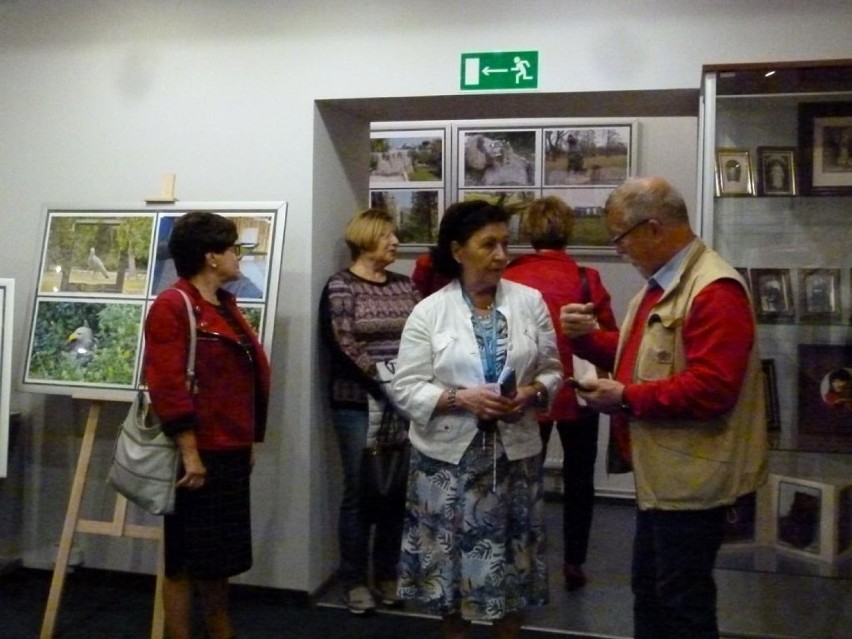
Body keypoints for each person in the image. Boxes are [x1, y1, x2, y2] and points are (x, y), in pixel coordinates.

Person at [559, 177, 768, 639]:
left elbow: (713, 388)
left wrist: (627, 398)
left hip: (693, 480)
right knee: (654, 594)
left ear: (653, 228)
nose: (618, 250)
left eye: (620, 237)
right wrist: (587, 340)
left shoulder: (713, 290)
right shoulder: (665, 284)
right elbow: (645, 355)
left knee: (681, 604)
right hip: (666, 475)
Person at [390, 200, 563, 639]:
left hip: (514, 461)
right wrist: (460, 398)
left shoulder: (530, 302)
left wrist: (532, 392)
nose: (502, 255)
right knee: (450, 580)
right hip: (446, 466)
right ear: (457, 249)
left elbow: (553, 370)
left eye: (505, 243)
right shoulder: (428, 312)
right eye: (488, 244)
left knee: (510, 570)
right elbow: (406, 388)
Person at [144, 211, 271, 639]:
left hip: (229, 449)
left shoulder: (226, 306)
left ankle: (221, 630)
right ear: (210, 257)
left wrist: (250, 439)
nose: (239, 256)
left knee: (218, 558)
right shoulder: (173, 305)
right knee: (183, 559)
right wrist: (190, 453)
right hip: (198, 452)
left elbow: (247, 377)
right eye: (234, 248)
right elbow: (166, 383)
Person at [502, 196, 618, 592]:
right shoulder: (586, 277)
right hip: (578, 392)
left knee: (524, 478)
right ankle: (574, 561)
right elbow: (609, 336)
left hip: (528, 393)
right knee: (580, 480)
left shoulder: (511, 275)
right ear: (566, 232)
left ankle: (522, 556)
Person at [318, 208, 420, 615]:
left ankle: (388, 574)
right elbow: (341, 342)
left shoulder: (406, 286)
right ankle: (354, 580)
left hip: (405, 402)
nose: (395, 242)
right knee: (360, 492)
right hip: (357, 402)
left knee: (396, 491)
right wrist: (382, 383)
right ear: (366, 239)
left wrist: (409, 385)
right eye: (388, 236)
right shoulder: (341, 286)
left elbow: (421, 334)